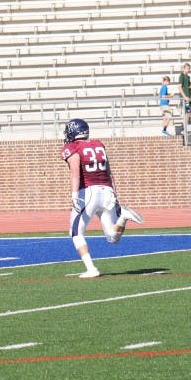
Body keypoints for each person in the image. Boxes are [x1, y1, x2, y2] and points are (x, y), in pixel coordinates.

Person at [60, 118, 143, 278]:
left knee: (75, 233)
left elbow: (75, 172)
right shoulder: (99, 145)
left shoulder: (73, 147)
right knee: (112, 237)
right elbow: (109, 173)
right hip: (107, 191)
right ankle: (123, 218)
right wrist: (116, 197)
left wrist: (74, 195)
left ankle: (91, 269)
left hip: (89, 192)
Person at [178, 61, 191, 126]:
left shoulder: (188, 77)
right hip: (186, 98)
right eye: (187, 68)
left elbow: (189, 87)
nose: (188, 70)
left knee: (189, 112)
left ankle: (185, 127)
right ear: (183, 68)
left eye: (189, 69)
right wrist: (185, 97)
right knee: (188, 112)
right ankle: (184, 127)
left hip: (188, 97)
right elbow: (179, 87)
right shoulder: (182, 76)